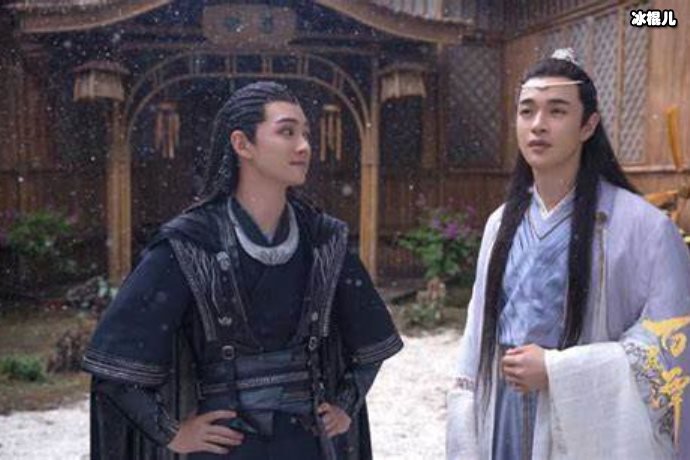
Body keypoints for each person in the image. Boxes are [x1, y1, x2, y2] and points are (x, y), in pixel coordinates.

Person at [83, 81, 403, 460]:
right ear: (242, 144)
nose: (304, 146)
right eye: (287, 132)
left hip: (307, 444)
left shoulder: (323, 238)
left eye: (305, 133)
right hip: (225, 448)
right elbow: (115, 365)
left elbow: (372, 344)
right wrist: (172, 434)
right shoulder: (191, 241)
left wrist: (346, 405)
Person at [446, 49, 690, 459]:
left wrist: (559, 371)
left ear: (588, 125)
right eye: (527, 111)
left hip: (586, 427)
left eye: (557, 111)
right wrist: (467, 412)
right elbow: (475, 335)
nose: (538, 125)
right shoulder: (500, 224)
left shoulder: (645, 228)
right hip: (504, 414)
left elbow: (671, 343)